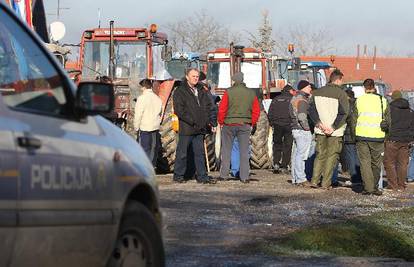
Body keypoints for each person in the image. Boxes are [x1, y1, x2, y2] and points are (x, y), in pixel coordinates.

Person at [172, 68, 216, 184]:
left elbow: (208, 106)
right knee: (183, 153)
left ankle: (202, 176)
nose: (195, 78)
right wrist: (193, 121)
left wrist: (209, 121)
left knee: (199, 153)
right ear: (187, 77)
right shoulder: (180, 91)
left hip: (200, 128)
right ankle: (178, 175)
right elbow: (179, 110)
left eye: (197, 76)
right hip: (187, 127)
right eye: (193, 76)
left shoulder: (201, 90)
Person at [308, 69, 349, 189]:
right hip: (335, 132)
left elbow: (311, 110)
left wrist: (319, 123)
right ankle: (326, 183)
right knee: (331, 156)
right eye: (342, 80)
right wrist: (333, 127)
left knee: (320, 155)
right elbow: (344, 113)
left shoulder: (317, 92)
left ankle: (314, 181)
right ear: (338, 79)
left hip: (320, 129)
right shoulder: (341, 94)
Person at [218, 72, 260, 183]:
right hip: (244, 124)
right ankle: (244, 177)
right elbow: (256, 110)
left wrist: (221, 122)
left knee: (226, 150)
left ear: (233, 80)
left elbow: (222, 108)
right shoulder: (251, 93)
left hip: (229, 125)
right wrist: (252, 122)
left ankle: (224, 175)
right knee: (244, 151)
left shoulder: (228, 92)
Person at [353, 78, 388, 195]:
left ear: (364, 88)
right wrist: (387, 135)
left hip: (361, 136)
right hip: (378, 136)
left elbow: (353, 120)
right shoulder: (383, 100)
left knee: (365, 162)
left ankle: (368, 188)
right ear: (374, 87)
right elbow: (389, 120)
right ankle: (374, 186)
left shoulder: (359, 100)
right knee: (376, 163)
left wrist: (354, 135)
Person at [383, 90, 414, 191]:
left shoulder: (390, 109)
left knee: (389, 162)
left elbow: (385, 124)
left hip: (392, 139)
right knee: (403, 163)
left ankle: (393, 185)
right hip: (405, 140)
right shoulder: (410, 110)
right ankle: (401, 185)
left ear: (393, 98)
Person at [133, 78, 162, 167]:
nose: (141, 89)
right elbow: (160, 113)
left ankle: (145, 166)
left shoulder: (141, 99)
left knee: (144, 148)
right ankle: (152, 166)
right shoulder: (157, 98)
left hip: (144, 127)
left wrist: (136, 127)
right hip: (155, 127)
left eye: (141, 88)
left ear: (144, 87)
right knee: (153, 148)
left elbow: (138, 115)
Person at [289, 80, 313, 185]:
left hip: (295, 129)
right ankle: (301, 178)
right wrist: (307, 128)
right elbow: (302, 117)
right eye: (308, 87)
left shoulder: (294, 98)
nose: (310, 88)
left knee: (295, 155)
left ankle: (295, 178)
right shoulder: (302, 100)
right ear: (303, 88)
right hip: (302, 130)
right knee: (301, 155)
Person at [268, 84, 294, 174]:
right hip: (288, 125)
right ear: (290, 91)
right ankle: (284, 165)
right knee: (288, 145)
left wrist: (272, 123)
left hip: (277, 125)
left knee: (277, 144)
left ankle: (276, 163)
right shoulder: (292, 99)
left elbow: (270, 112)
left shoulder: (275, 99)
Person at [341, 89, 362, 186]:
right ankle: (360, 177)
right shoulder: (359, 103)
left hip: (349, 134)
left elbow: (345, 119)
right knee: (358, 157)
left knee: (351, 156)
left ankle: (355, 178)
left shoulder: (346, 105)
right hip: (360, 133)